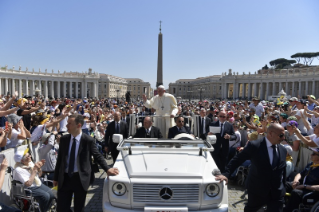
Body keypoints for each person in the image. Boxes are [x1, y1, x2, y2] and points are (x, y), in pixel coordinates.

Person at [53, 114, 119, 212]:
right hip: (65, 178)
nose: (67, 126)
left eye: (69, 124)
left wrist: (107, 169)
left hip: (80, 178)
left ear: (78, 125)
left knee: (79, 208)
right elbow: (60, 159)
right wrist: (56, 177)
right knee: (62, 208)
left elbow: (97, 156)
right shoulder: (64, 139)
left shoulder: (88, 140)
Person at [216, 124, 287, 212]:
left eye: (284, 135)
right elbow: (238, 159)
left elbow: (282, 170)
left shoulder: (283, 150)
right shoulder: (255, 146)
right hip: (258, 190)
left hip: (277, 193)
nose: (283, 138)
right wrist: (226, 174)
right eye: (281, 135)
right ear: (271, 134)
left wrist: (283, 188)